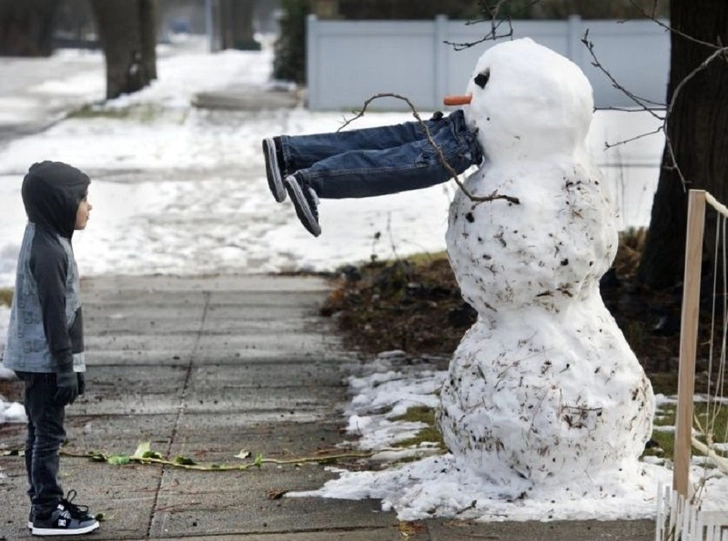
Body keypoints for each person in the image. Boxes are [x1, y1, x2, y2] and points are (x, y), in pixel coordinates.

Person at [3, 161, 100, 536]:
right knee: (47, 437)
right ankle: (45, 511)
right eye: (83, 198)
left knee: (40, 433)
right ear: (60, 203)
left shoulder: (48, 236)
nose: (89, 206)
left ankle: (45, 503)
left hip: (46, 359)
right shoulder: (48, 250)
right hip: (45, 362)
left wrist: (73, 366)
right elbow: (54, 316)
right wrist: (64, 367)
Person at [262, 105, 482, 237]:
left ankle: (289, 153)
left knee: (392, 140)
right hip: (486, 132)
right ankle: (312, 181)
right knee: (417, 165)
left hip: (482, 110)